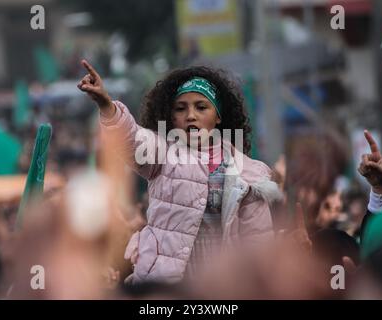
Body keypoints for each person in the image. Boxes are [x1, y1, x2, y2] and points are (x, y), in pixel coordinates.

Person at [77, 60, 281, 284]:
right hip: (165, 288)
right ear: (171, 117)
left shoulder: (249, 174)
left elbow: (258, 244)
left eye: (201, 107)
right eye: (180, 108)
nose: (190, 115)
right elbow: (131, 140)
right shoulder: (161, 154)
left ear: (218, 117)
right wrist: (107, 106)